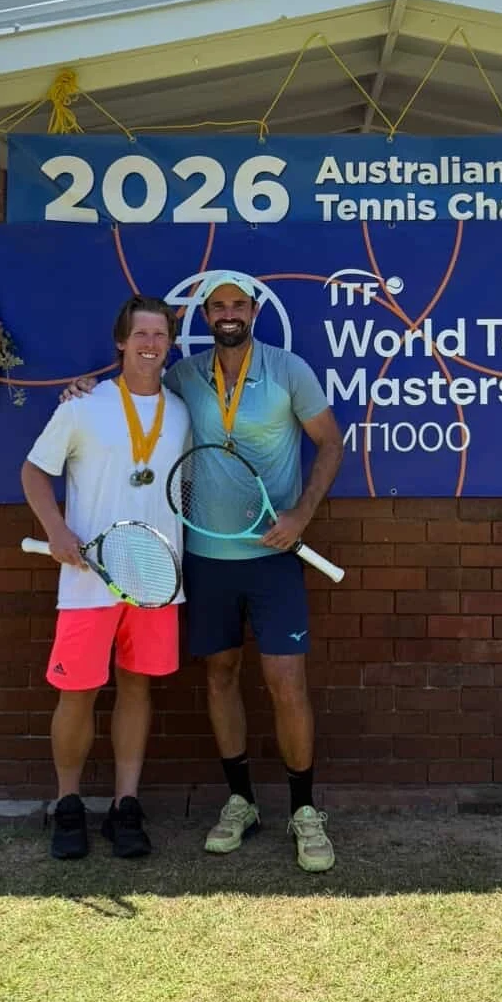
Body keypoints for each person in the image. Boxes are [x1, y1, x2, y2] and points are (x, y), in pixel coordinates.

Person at [66, 269, 344, 872]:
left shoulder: (289, 370)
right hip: (205, 560)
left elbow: (331, 443)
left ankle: (304, 810)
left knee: (286, 681)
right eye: (217, 305)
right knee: (220, 676)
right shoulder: (185, 376)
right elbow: (130, 389)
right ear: (205, 316)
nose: (227, 313)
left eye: (237, 304)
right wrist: (81, 388)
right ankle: (240, 800)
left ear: (253, 312)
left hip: (275, 557)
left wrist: (301, 513)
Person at [21, 295, 190, 862]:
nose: (150, 344)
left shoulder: (183, 412)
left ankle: (125, 804)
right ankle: (68, 805)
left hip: (155, 580)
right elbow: (33, 471)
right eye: (140, 334)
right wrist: (57, 529)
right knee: (78, 692)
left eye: (160, 335)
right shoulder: (83, 406)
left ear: (170, 343)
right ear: (121, 342)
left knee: (137, 687)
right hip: (89, 580)